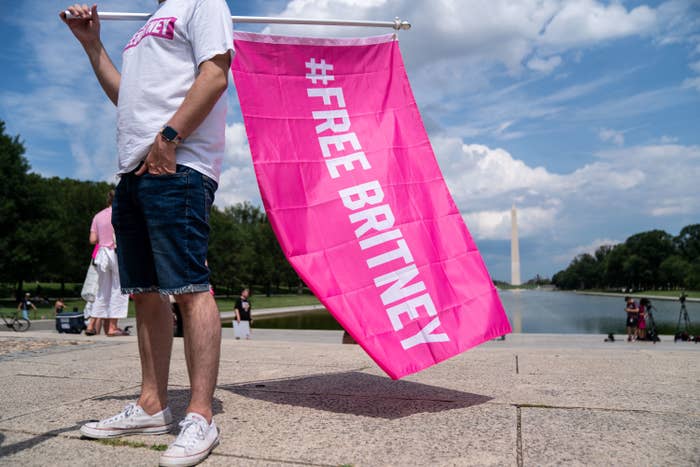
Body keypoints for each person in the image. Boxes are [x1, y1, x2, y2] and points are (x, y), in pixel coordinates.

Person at [61, 2, 233, 465]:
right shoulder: (143, 27)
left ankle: (200, 415)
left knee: (191, 287)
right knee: (145, 292)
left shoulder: (202, 2)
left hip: (178, 165)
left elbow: (216, 75)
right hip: (134, 170)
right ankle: (151, 405)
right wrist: (92, 44)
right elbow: (129, 99)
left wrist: (169, 138)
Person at [89, 190, 129, 336]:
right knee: (118, 289)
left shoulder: (98, 216)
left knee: (102, 290)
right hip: (118, 254)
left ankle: (90, 325)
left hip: (102, 255)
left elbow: (92, 240)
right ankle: (112, 327)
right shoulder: (124, 213)